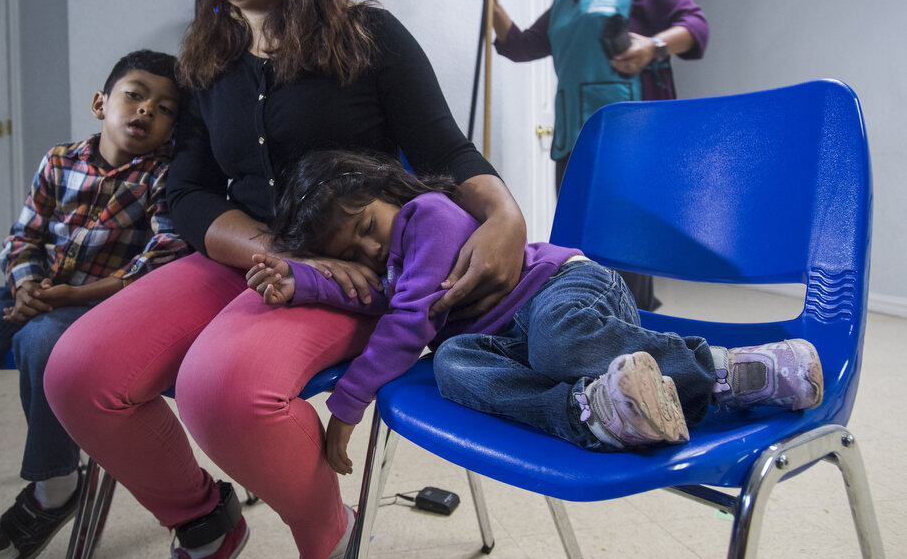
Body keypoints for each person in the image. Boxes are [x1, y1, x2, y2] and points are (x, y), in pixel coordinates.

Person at [43, 0, 528, 559]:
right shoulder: (207, 60)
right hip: (242, 255)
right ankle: (204, 525)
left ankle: (329, 543)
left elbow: (447, 149)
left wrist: (507, 213)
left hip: (350, 270)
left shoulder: (372, 37)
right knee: (78, 372)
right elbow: (190, 191)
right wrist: (270, 248)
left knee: (221, 392)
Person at [247, 149, 824, 463]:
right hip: (509, 342)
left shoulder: (429, 213)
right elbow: (375, 293)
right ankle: (596, 414)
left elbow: (408, 316)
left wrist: (348, 404)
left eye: (368, 227)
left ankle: (734, 372)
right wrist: (304, 281)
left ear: (387, 191)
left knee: (557, 338)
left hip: (565, 292)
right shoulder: (391, 262)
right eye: (354, 253)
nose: (372, 250)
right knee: (452, 366)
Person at [0, 50, 189, 559]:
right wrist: (26, 284)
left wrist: (70, 297)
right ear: (100, 102)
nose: (146, 111)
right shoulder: (60, 160)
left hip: (96, 302)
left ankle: (55, 485)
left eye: (166, 108)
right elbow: (24, 236)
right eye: (134, 95)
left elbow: (163, 253)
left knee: (43, 344)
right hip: (30, 287)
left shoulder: (163, 175)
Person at [477, 0, 709, 311]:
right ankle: (582, 324)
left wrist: (653, 45)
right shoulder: (567, 0)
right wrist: (493, 2)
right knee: (577, 241)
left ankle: (634, 329)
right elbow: (522, 45)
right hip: (573, 139)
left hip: (628, 138)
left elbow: (695, 26)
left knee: (628, 242)